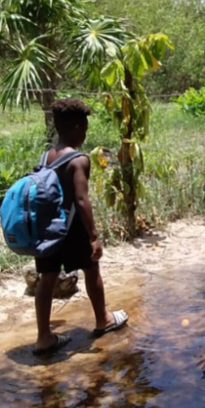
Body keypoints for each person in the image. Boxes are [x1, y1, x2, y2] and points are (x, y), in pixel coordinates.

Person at [27, 99, 127, 355]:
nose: (85, 132)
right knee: (92, 271)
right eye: (83, 127)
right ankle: (102, 319)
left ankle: (43, 337)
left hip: (48, 230)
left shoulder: (46, 156)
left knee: (46, 280)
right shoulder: (79, 160)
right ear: (74, 127)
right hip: (72, 229)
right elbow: (81, 200)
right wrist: (93, 236)